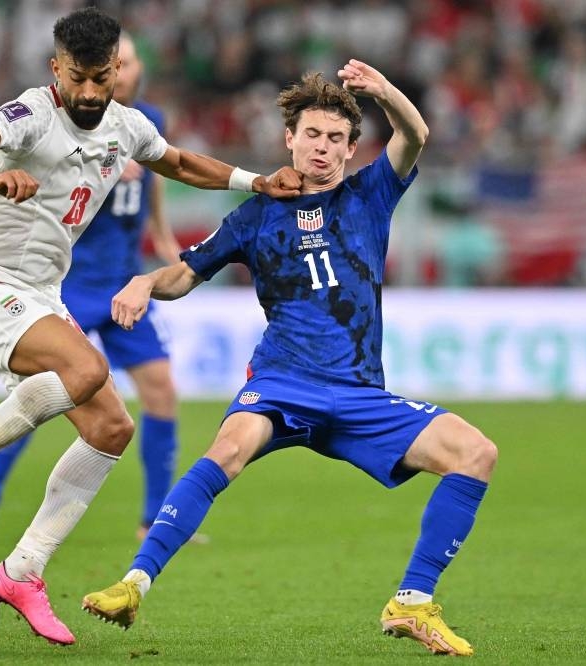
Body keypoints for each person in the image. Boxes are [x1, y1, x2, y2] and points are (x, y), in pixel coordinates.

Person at [82, 61, 497, 658]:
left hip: (358, 393)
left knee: (476, 453)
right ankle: (133, 584)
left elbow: (416, 136)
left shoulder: (371, 195)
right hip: (282, 381)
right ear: (289, 139)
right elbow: (186, 274)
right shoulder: (256, 212)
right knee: (226, 450)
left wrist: (383, 92)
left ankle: (412, 602)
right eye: (312, 135)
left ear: (353, 149)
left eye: (335, 138)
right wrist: (146, 281)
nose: (322, 148)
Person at [0, 7, 298, 647]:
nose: (91, 93)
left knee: (113, 426)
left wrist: (255, 180)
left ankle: (22, 569)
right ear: (55, 70)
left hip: (39, 294)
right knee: (86, 369)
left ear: (117, 68)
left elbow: (177, 163)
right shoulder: (31, 113)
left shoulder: (126, 126)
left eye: (103, 77)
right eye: (79, 79)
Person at [0, 33, 198, 546]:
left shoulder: (145, 123)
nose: (125, 73)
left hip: (124, 279)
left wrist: (160, 235)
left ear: (123, 69)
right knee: (48, 394)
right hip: (70, 281)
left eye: (128, 65)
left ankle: (153, 517)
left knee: (161, 390)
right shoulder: (69, 124)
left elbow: (160, 174)